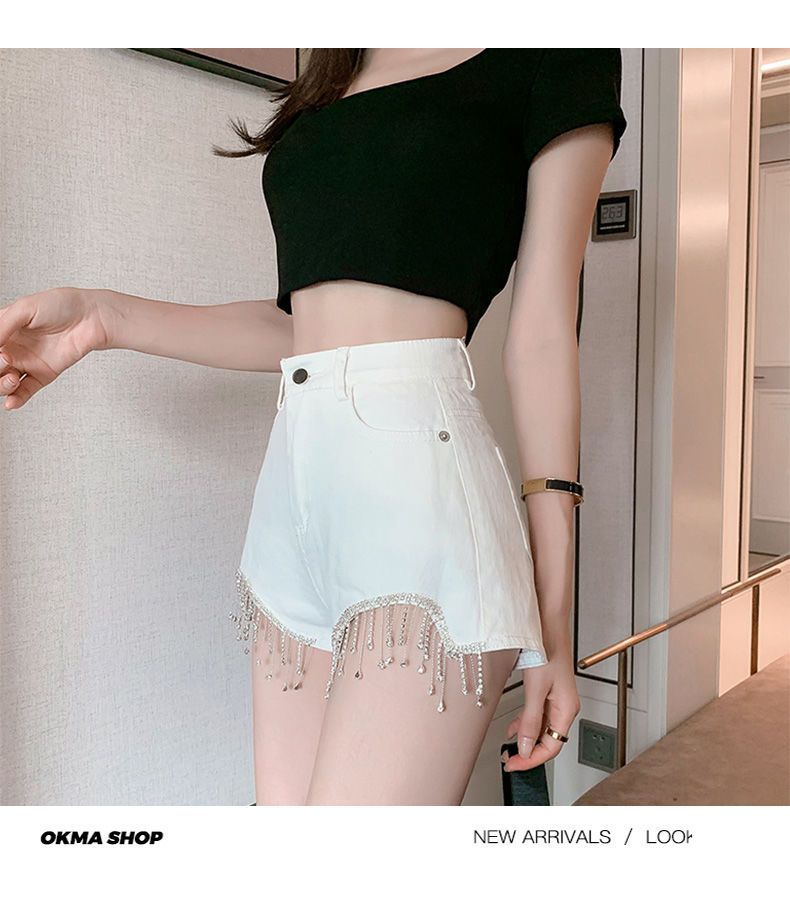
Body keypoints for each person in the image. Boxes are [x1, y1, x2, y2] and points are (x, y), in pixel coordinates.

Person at [0, 48, 627, 805]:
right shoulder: (337, 66)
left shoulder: (553, 50)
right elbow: (304, 331)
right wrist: (100, 319)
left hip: (420, 497)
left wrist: (553, 619)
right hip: (291, 500)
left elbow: (543, 334)